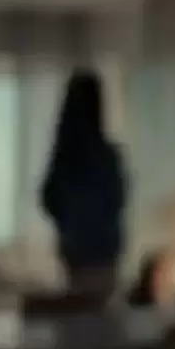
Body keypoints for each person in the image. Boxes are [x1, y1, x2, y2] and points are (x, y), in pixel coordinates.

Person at [41, 71, 126, 303]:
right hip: (102, 249)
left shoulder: (64, 157)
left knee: (78, 311)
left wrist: (69, 221)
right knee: (100, 312)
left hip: (75, 249)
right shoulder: (106, 156)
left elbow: (48, 199)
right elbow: (118, 199)